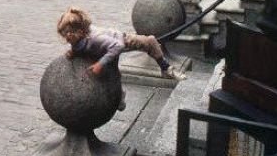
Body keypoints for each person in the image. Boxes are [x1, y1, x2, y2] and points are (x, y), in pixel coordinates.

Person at [57, 8, 187, 106]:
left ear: (79, 32)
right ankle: (119, 97)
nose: (67, 40)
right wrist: (73, 52)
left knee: (150, 41)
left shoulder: (96, 38)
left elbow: (118, 46)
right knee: (112, 73)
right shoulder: (78, 38)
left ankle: (166, 69)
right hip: (103, 50)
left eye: (68, 37)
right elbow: (78, 43)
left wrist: (101, 63)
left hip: (120, 41)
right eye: (64, 37)